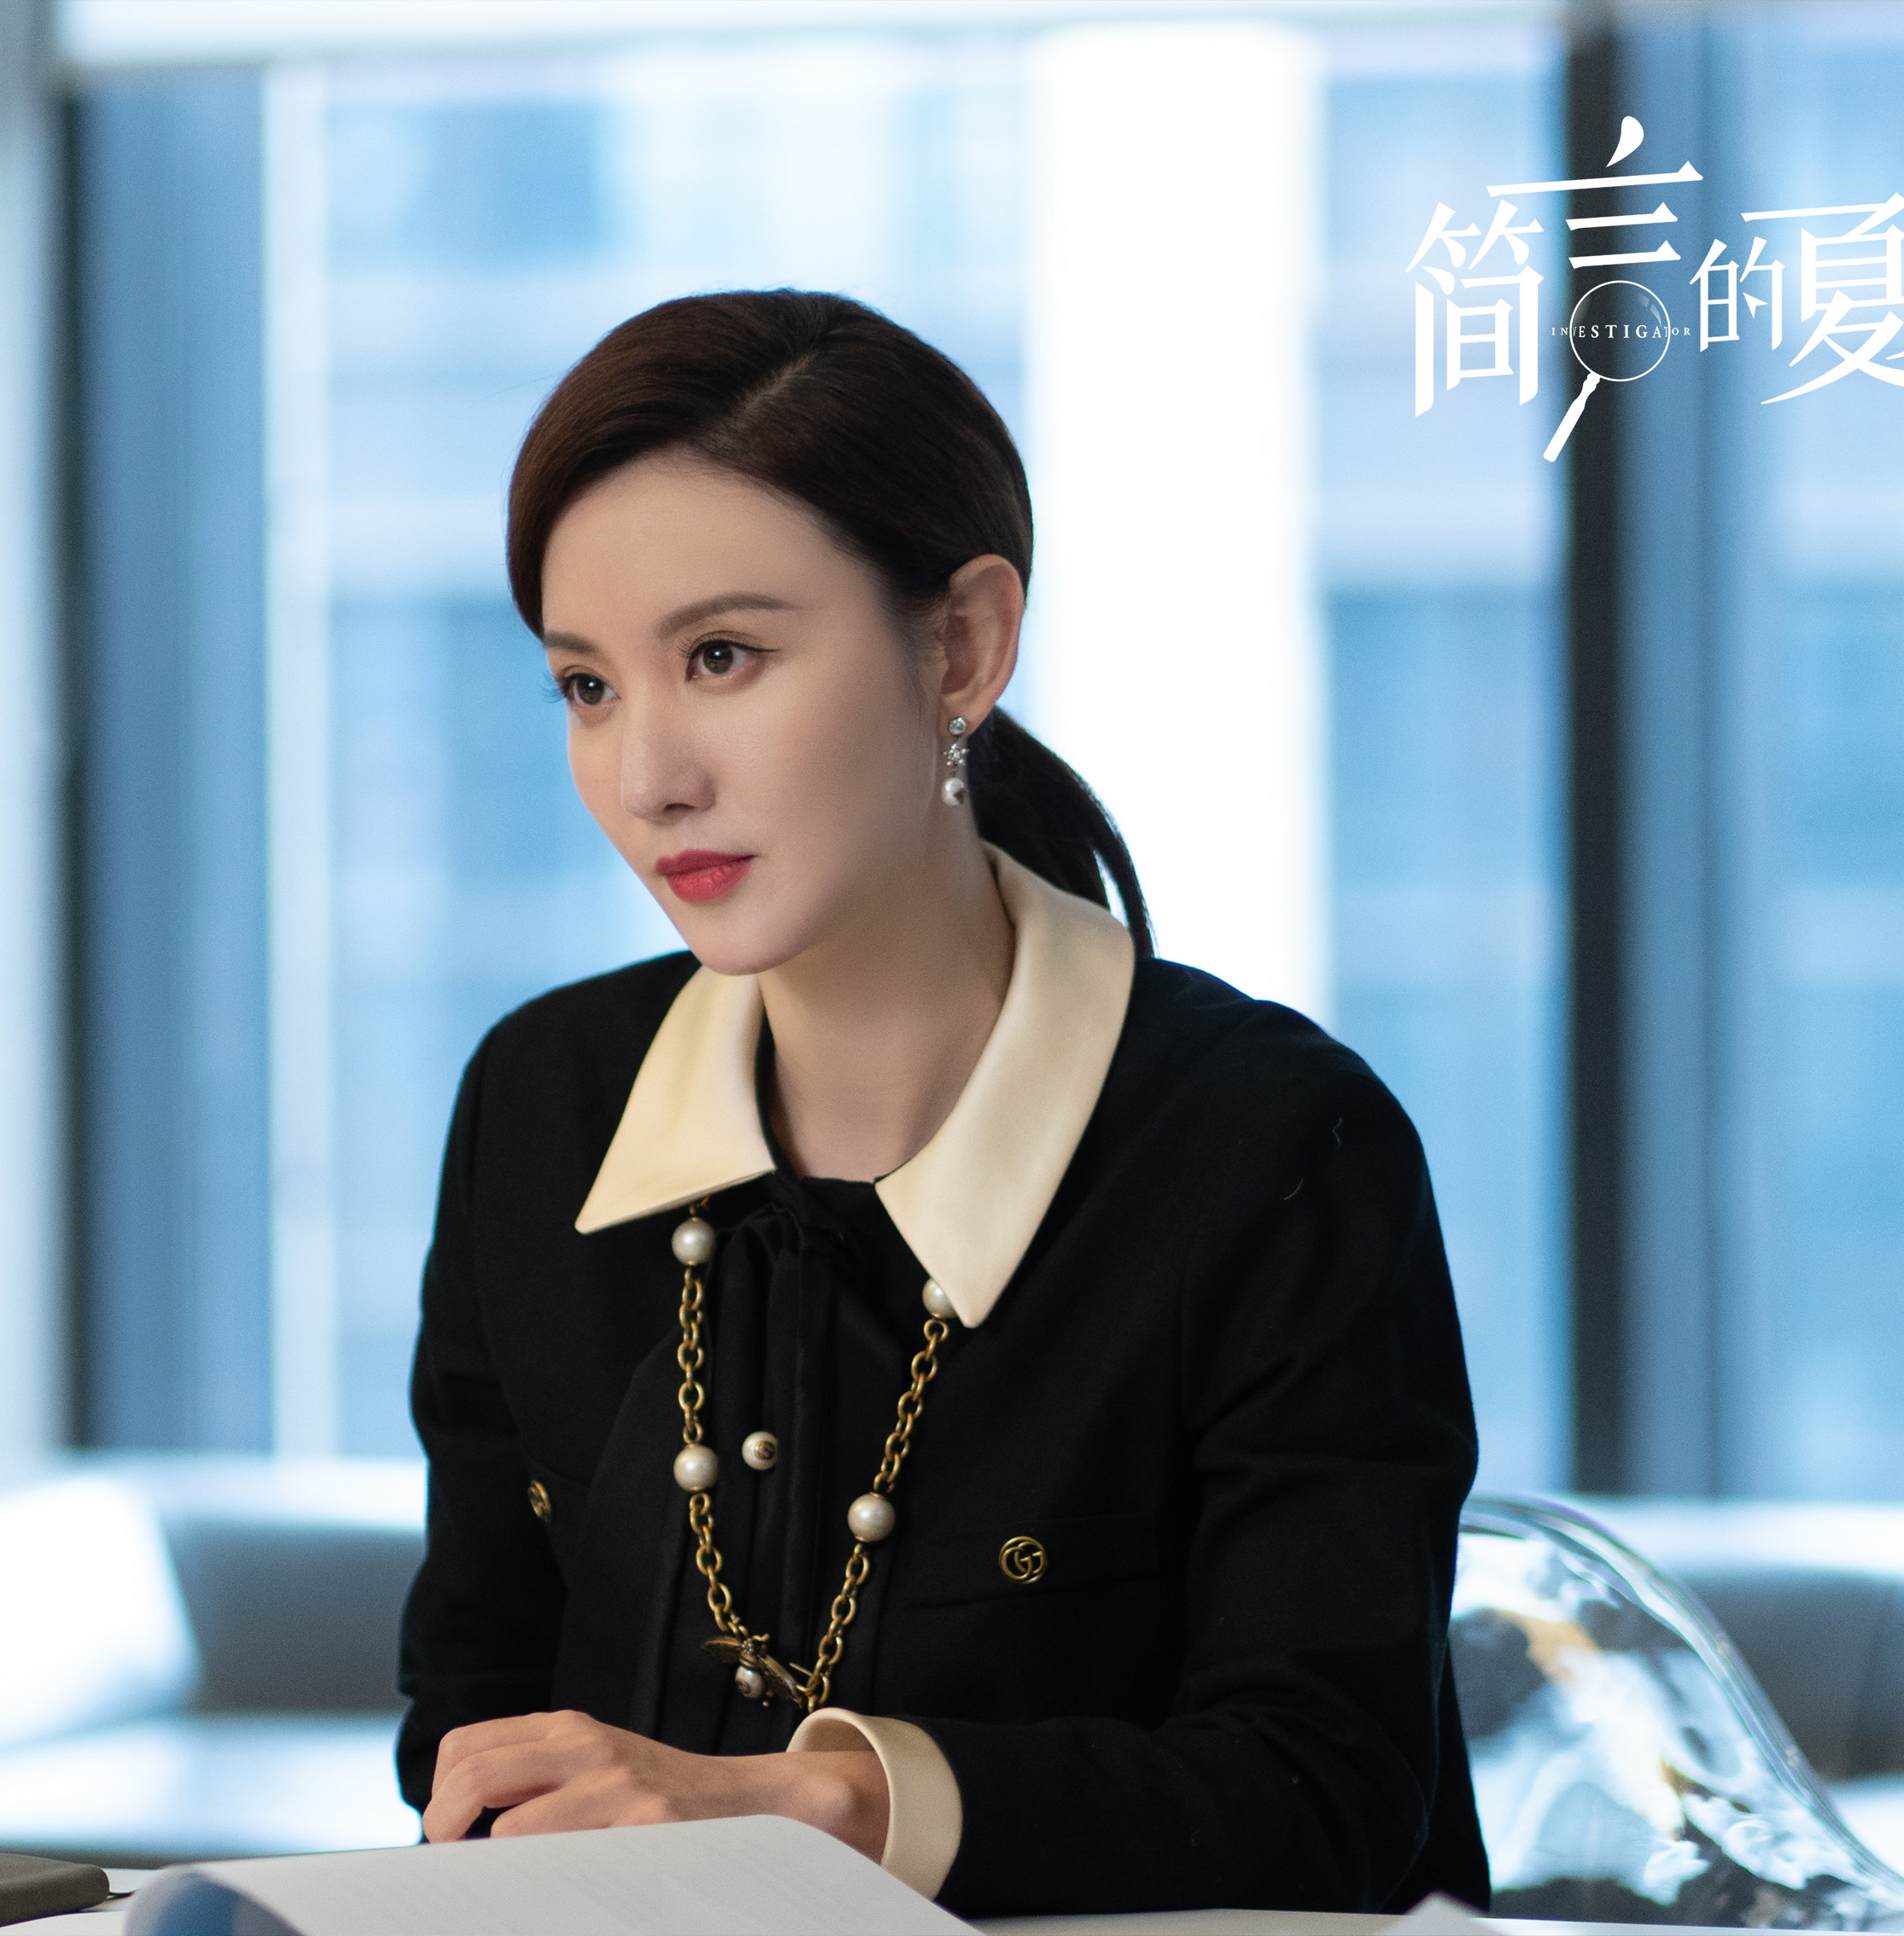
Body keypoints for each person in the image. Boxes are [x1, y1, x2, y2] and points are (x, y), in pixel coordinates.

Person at [394, 289, 1486, 1919]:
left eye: (721, 657)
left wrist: (826, 1805)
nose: (647, 777)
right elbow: (470, 1721)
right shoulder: (541, 1103)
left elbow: (1327, 1795)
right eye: (587, 686)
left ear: (961, 645)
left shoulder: (1274, 1146)